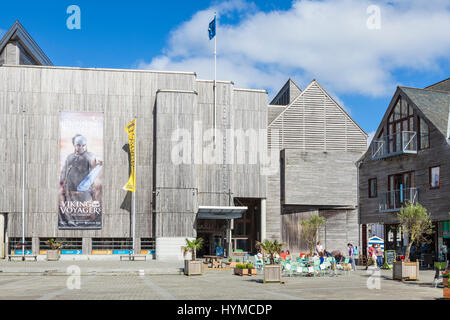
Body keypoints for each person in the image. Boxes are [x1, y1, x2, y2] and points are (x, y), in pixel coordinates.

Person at [59, 134, 103, 228]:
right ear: (75, 145)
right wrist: (62, 181)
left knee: (87, 212)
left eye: (83, 145)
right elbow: (64, 171)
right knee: (72, 212)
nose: (81, 147)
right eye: (79, 145)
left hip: (84, 192)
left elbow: (94, 160)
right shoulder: (70, 157)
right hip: (71, 192)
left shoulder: (88, 155)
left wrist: (98, 161)